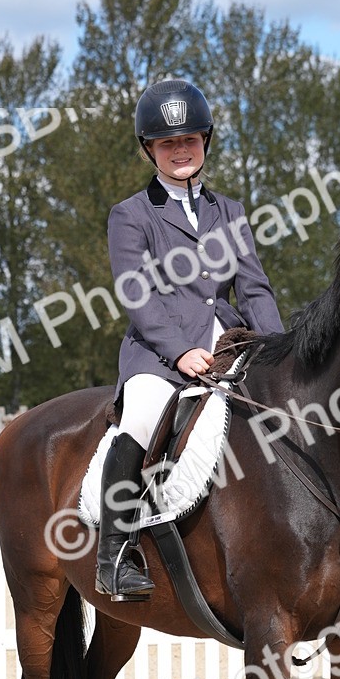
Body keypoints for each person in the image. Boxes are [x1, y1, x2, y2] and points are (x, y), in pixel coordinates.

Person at [95, 78, 284, 601]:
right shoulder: (130, 216)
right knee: (141, 414)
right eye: (167, 143)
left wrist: (280, 350)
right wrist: (179, 350)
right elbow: (137, 296)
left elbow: (254, 288)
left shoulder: (232, 211)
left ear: (205, 141)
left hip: (230, 344)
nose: (180, 151)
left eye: (189, 140)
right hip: (159, 353)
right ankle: (115, 554)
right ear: (149, 150)